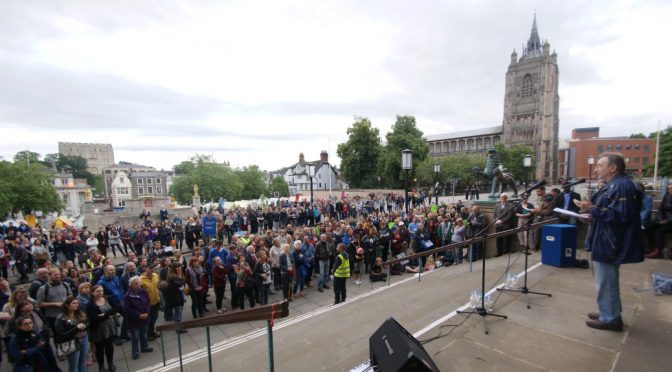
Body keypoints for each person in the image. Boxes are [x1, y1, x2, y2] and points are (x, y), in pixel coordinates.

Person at [575, 153, 644, 331]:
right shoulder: (613, 185)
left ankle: (611, 319)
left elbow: (621, 215)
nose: (596, 169)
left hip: (610, 242)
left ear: (612, 168)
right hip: (604, 239)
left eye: (600, 165)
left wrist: (591, 208)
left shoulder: (621, 186)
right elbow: (606, 212)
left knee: (607, 281)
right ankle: (608, 311)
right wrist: (589, 214)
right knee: (604, 280)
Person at [86, 285, 117, 372]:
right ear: (92, 293)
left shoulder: (108, 298)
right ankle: (101, 366)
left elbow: (115, 309)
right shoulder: (90, 304)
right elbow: (93, 318)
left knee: (109, 347)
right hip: (98, 329)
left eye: (101, 291)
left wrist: (104, 314)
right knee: (99, 349)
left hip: (110, 327)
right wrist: (108, 315)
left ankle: (110, 363)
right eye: (98, 291)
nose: (100, 293)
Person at [54, 296, 89, 372]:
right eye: (74, 303)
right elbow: (61, 335)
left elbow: (87, 321)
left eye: (77, 303)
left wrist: (85, 326)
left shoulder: (79, 313)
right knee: (74, 366)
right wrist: (76, 328)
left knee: (83, 362)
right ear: (67, 305)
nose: (76, 305)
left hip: (84, 338)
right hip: (72, 342)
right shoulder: (60, 318)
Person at [124, 276, 153, 360]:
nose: (138, 285)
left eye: (139, 282)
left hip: (144, 317)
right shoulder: (128, 296)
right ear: (131, 285)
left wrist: (147, 312)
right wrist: (139, 314)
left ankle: (144, 347)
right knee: (135, 337)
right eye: (136, 283)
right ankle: (135, 352)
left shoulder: (143, 291)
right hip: (135, 319)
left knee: (144, 333)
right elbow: (127, 308)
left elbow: (148, 302)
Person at [646, 184, 672, 258]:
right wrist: (660, 219)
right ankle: (652, 247)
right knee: (648, 227)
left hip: (670, 221)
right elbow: (660, 208)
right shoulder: (667, 196)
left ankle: (658, 251)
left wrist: (667, 221)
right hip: (663, 219)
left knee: (659, 231)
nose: (669, 190)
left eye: (671, 188)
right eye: (669, 188)